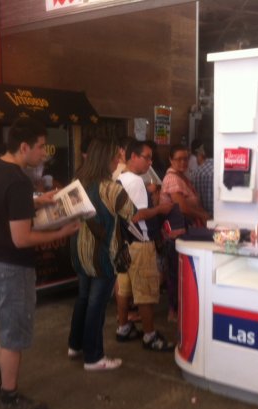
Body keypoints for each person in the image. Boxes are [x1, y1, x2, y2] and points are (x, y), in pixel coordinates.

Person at [0, 117, 80, 409]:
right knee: (15, 332)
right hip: (12, 265)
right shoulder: (18, 179)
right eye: (40, 147)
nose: (43, 153)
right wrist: (60, 232)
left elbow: (2, 203)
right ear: (23, 147)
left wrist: (38, 201)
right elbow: (21, 238)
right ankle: (9, 395)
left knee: (5, 324)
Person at [68, 137, 137, 370]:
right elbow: (132, 213)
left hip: (79, 251)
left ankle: (75, 345)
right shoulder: (112, 188)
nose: (119, 160)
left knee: (84, 298)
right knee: (97, 305)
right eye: (117, 157)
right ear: (107, 159)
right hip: (104, 255)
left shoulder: (77, 183)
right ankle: (94, 357)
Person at [115, 140, 174, 351]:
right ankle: (150, 335)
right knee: (145, 292)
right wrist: (160, 209)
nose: (150, 162)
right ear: (133, 157)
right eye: (146, 157)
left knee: (124, 288)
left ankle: (123, 327)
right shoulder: (136, 182)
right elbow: (138, 215)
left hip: (125, 243)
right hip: (141, 242)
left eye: (151, 157)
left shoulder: (120, 178)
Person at [160, 144, 209, 321]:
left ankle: (178, 309)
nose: (183, 162)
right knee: (175, 273)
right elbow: (182, 208)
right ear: (171, 160)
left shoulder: (182, 177)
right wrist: (202, 214)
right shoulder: (173, 179)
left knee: (179, 272)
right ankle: (173, 311)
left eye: (186, 158)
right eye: (179, 158)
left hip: (185, 232)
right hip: (176, 234)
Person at [191, 143, 214, 219]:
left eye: (197, 155)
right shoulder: (221, 170)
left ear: (202, 154)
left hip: (202, 217)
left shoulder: (196, 173)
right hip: (221, 216)